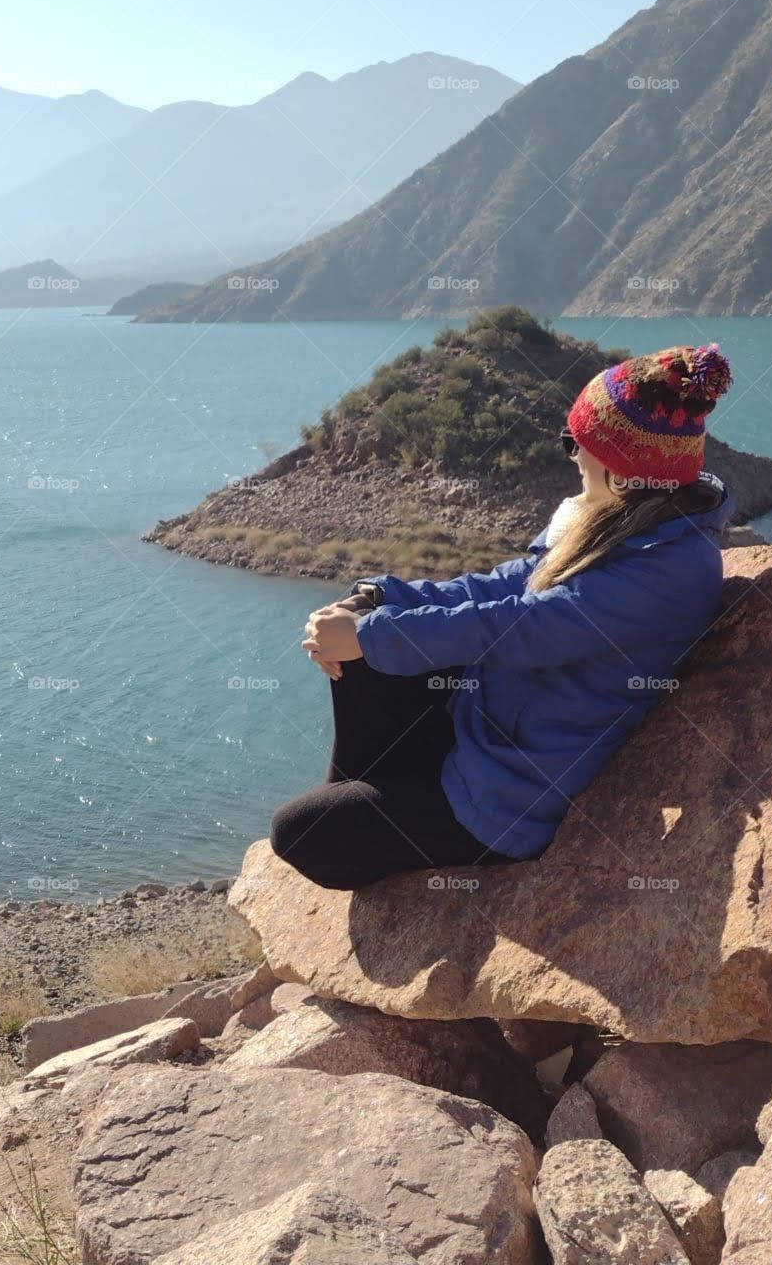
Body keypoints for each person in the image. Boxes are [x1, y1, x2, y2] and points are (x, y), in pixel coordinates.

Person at [270, 343, 735, 889]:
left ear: (622, 467)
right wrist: (377, 598)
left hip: (510, 794)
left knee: (299, 834)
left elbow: (518, 628)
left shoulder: (668, 571)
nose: (572, 457)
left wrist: (372, 636)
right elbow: (503, 585)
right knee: (367, 647)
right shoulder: (611, 518)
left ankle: (361, 815)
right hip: (483, 731)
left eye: (577, 444)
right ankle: (362, 803)